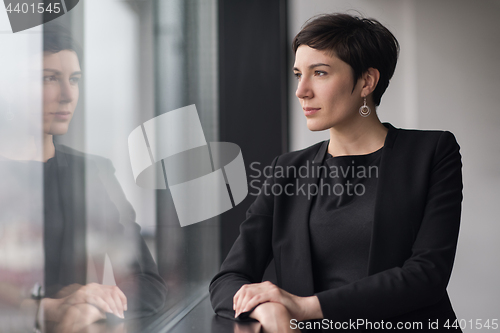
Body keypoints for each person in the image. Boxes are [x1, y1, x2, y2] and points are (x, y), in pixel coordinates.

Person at [210, 13, 462, 332]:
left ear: (367, 81)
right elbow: (228, 279)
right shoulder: (286, 171)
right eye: (298, 74)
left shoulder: (432, 152)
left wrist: (306, 307)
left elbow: (428, 274)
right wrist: (267, 311)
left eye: (320, 73)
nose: (302, 90)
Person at [0, 25, 167, 332]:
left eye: (74, 80)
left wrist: (95, 307)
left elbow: (148, 285)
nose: (67, 95)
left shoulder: (94, 173)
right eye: (48, 78)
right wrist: (48, 308)